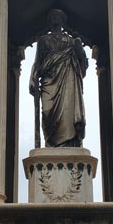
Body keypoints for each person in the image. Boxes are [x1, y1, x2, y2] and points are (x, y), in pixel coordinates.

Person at [29, 9, 88, 147]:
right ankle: (51, 144)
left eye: (58, 16)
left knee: (68, 112)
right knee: (47, 112)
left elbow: (82, 64)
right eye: (52, 16)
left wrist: (79, 49)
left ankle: (70, 143)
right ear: (49, 21)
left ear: (63, 21)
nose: (55, 18)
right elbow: (37, 62)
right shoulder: (43, 40)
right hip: (48, 81)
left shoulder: (71, 41)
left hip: (68, 80)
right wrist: (32, 78)